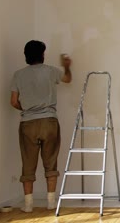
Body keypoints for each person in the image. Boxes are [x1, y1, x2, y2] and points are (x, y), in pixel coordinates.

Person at [10, 40, 72, 212]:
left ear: (26, 55)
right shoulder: (51, 71)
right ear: (42, 55)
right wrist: (67, 66)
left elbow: (13, 101)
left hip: (27, 123)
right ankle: (51, 202)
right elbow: (67, 79)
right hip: (49, 121)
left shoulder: (18, 75)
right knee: (50, 162)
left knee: (28, 163)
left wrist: (28, 108)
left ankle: (28, 205)